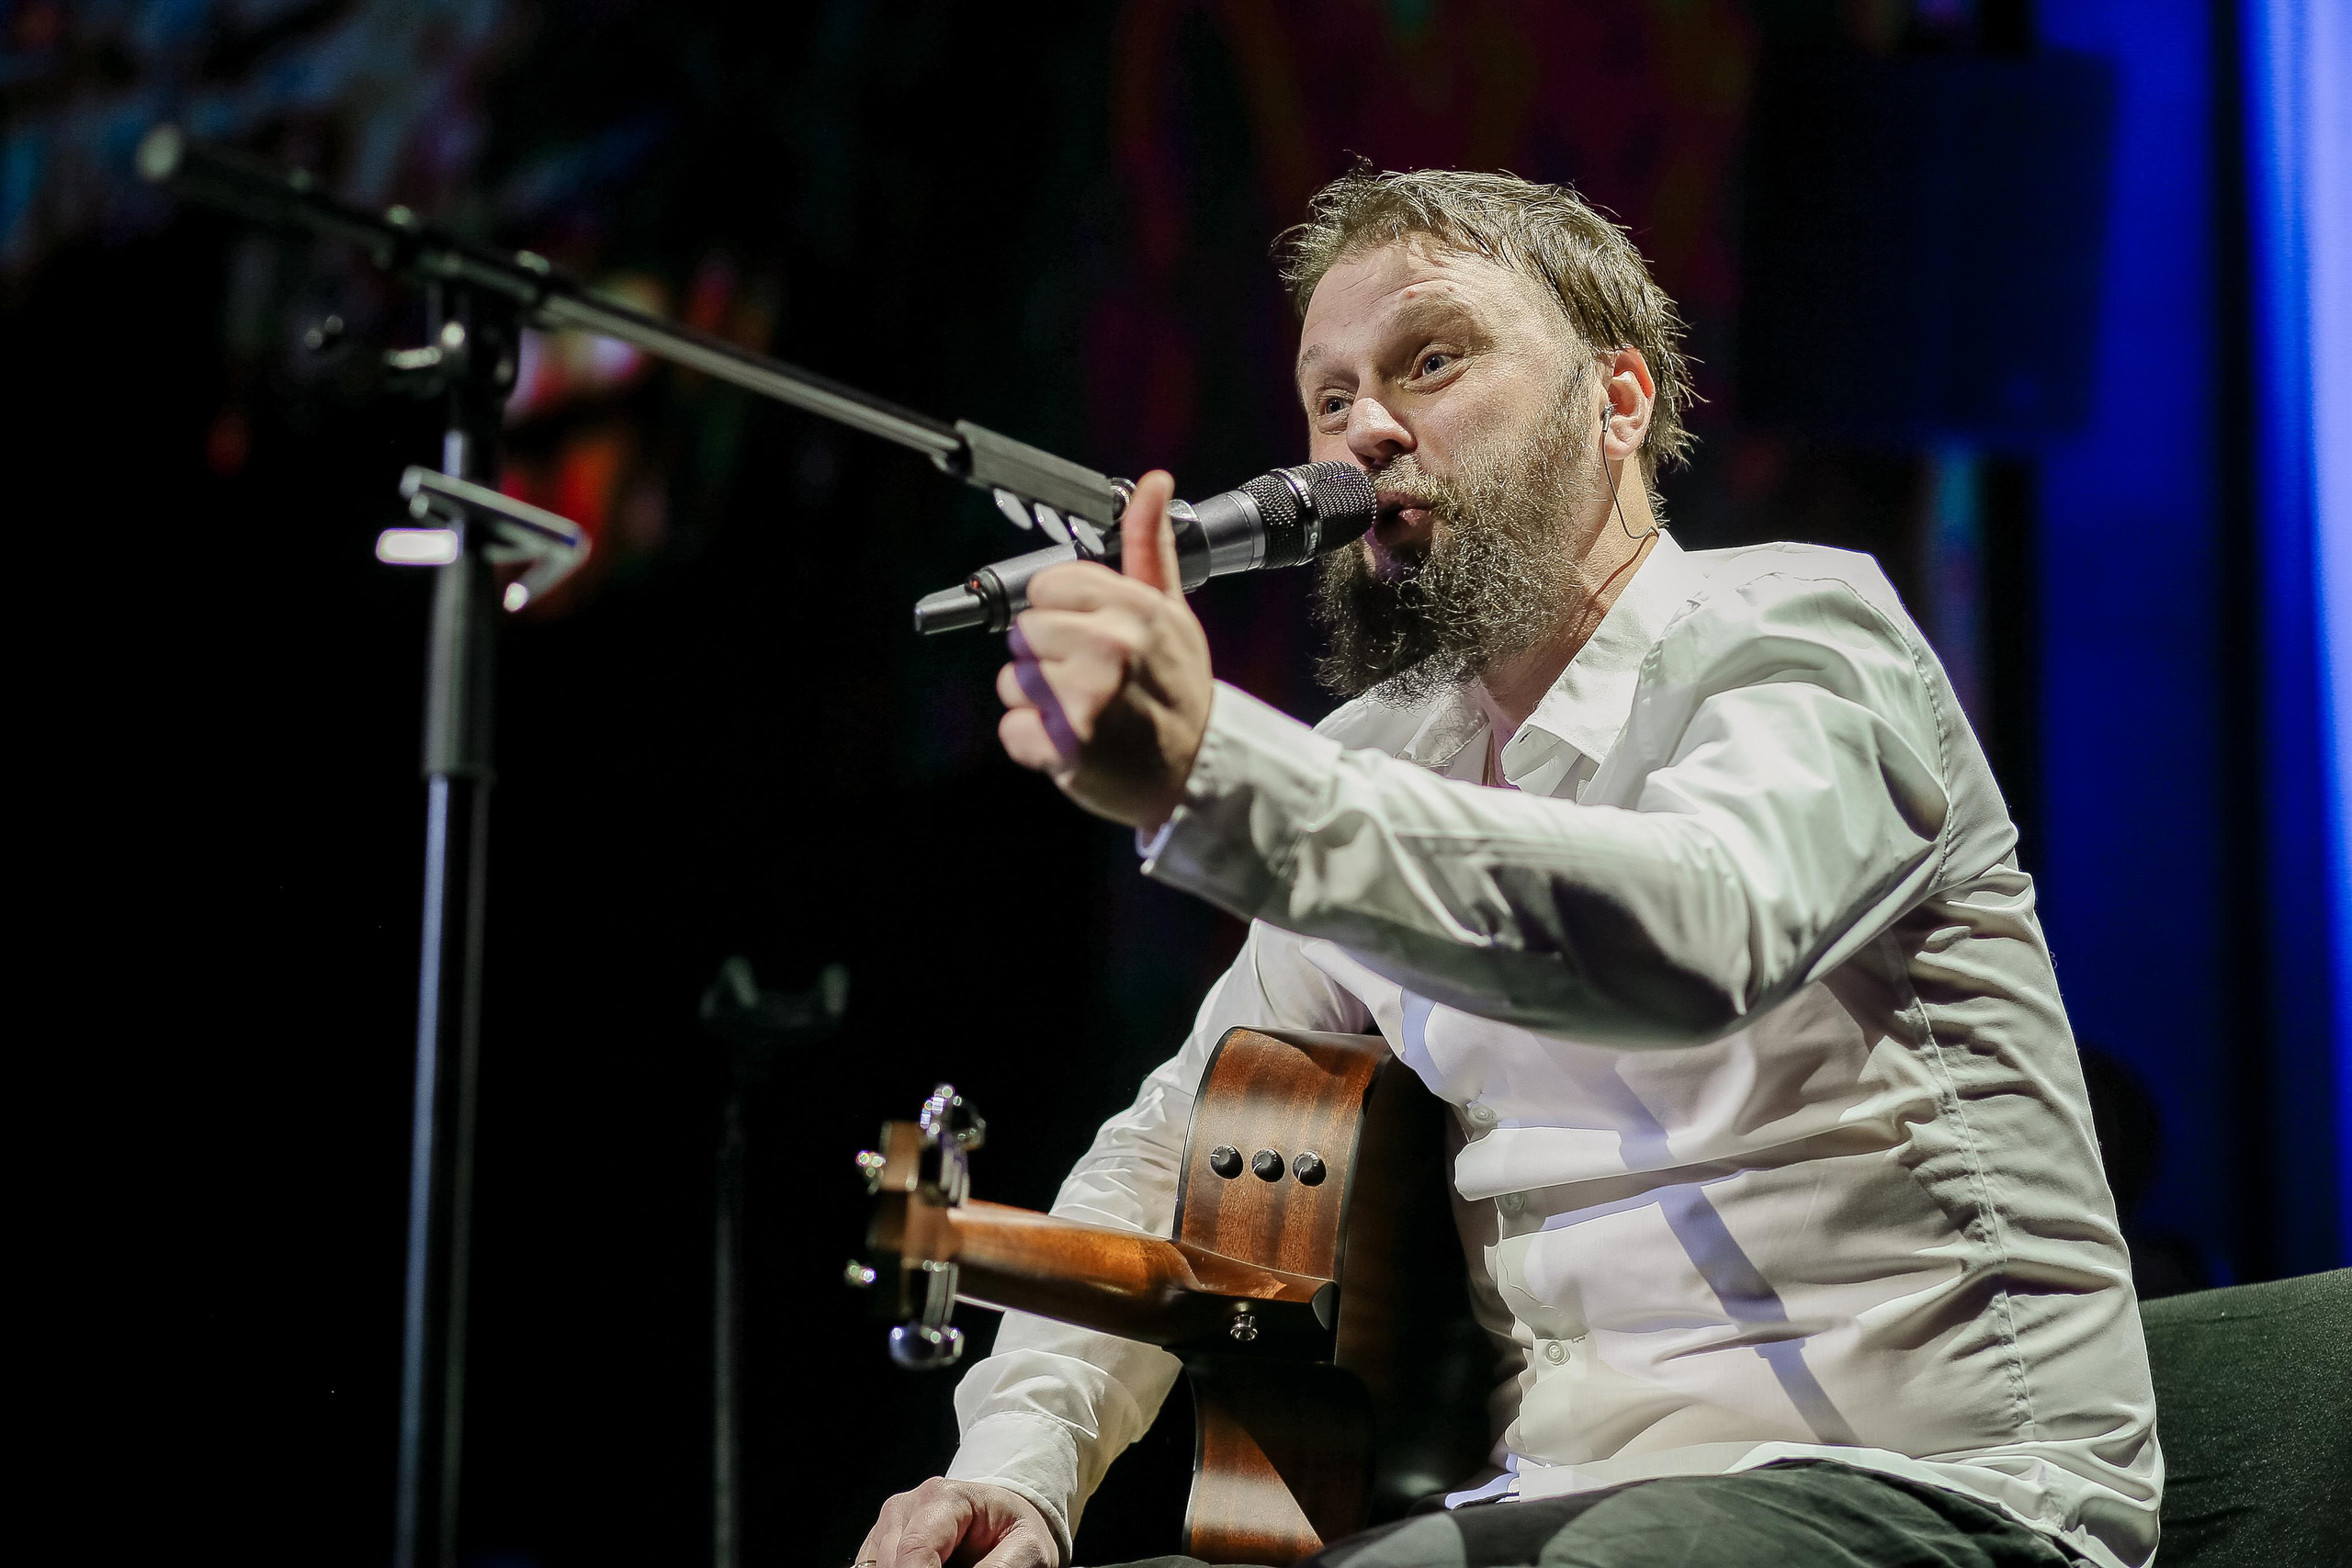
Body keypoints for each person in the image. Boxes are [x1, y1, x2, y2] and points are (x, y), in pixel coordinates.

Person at [856, 167, 2159, 1568]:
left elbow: (1691, 933)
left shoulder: (1803, 640)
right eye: (1331, 393)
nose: (1366, 428)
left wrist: (1216, 773)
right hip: (1563, 1505)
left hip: (1938, 1487)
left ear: (1618, 404)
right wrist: (1020, 1466)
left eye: (1431, 358)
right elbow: (1180, 1154)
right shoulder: (1392, 754)